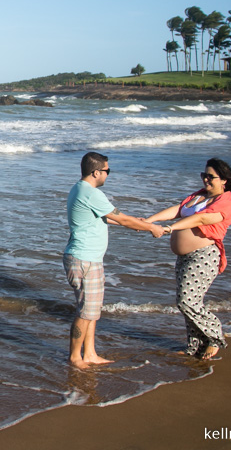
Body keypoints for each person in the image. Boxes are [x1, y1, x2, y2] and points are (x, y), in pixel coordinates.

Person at [65, 152, 167, 370]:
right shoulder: (92, 193)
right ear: (96, 172)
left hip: (87, 258)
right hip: (85, 260)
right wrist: (151, 227)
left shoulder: (79, 189)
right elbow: (121, 218)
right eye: (107, 171)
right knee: (85, 312)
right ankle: (75, 357)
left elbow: (109, 219)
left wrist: (139, 222)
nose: (108, 175)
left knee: (91, 310)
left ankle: (90, 353)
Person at [146, 158, 231, 360]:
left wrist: (169, 228)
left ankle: (215, 335)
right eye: (203, 175)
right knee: (188, 301)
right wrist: (150, 220)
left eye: (211, 177)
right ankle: (195, 346)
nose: (206, 179)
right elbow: (178, 210)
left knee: (186, 301)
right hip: (185, 256)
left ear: (223, 180)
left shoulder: (225, 202)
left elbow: (202, 219)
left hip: (204, 256)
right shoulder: (199, 196)